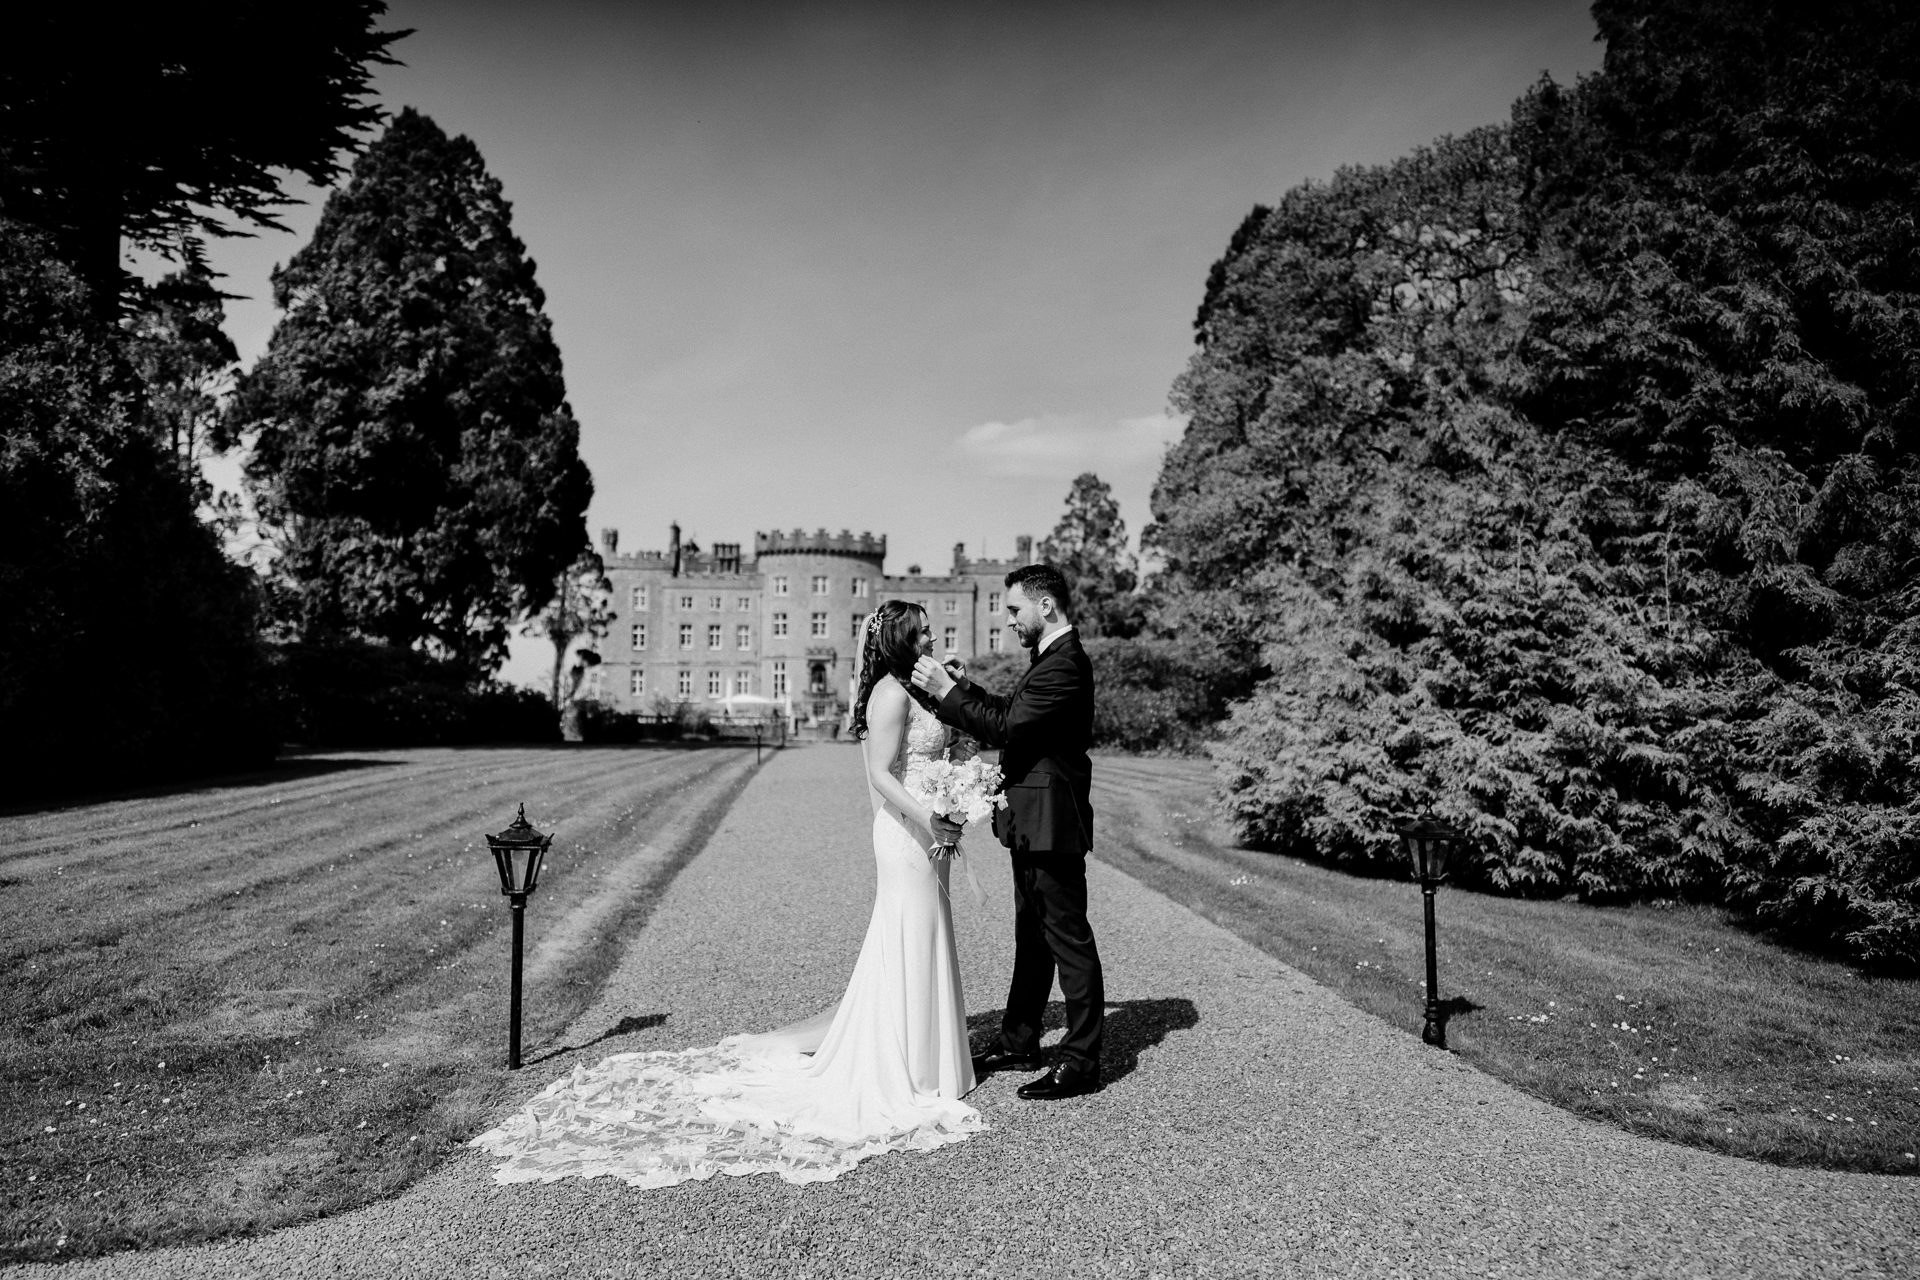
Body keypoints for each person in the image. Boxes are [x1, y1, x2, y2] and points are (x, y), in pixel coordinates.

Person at [471, 600, 983, 1187]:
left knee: (926, 933)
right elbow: (879, 776)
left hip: (930, 827)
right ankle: (913, 1065)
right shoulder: (889, 695)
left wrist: (958, 787)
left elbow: (946, 751)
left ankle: (931, 1061)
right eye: (921, 632)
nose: (931, 638)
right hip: (906, 830)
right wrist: (931, 816)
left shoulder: (927, 689)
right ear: (899, 640)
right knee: (907, 934)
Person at [911, 562, 1105, 1101]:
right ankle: (1020, 1042)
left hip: (1051, 824)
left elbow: (1005, 726)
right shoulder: (1049, 659)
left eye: (1015, 610)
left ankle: (1081, 1060)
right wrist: (959, 687)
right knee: (1033, 935)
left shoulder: (1066, 664)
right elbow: (1009, 711)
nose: (1009, 622)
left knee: (1068, 940)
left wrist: (946, 692)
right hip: (1031, 823)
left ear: (1046, 606)